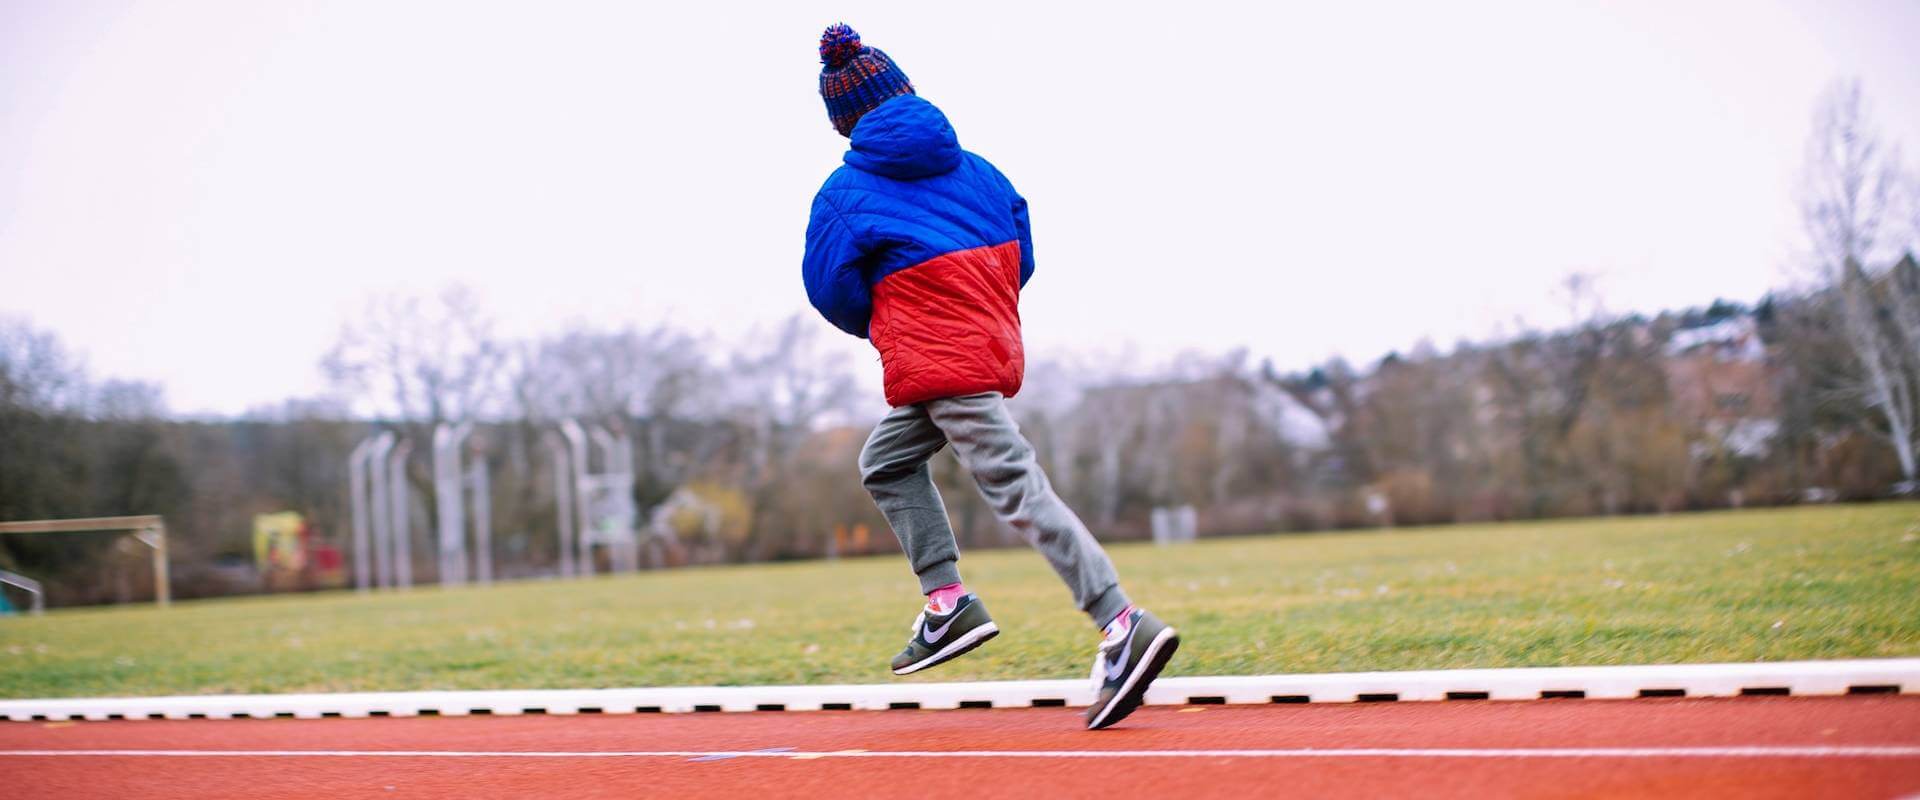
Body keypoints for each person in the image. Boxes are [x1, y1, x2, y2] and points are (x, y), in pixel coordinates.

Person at [800, 23, 1178, 730]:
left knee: (1016, 484)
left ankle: (1121, 620)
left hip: (934, 353)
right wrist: (973, 310)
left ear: (843, 121)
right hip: (986, 342)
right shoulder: (979, 169)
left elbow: (831, 290)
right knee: (885, 461)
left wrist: (896, 320)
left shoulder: (845, 190)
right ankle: (947, 605)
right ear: (905, 91)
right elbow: (1022, 253)